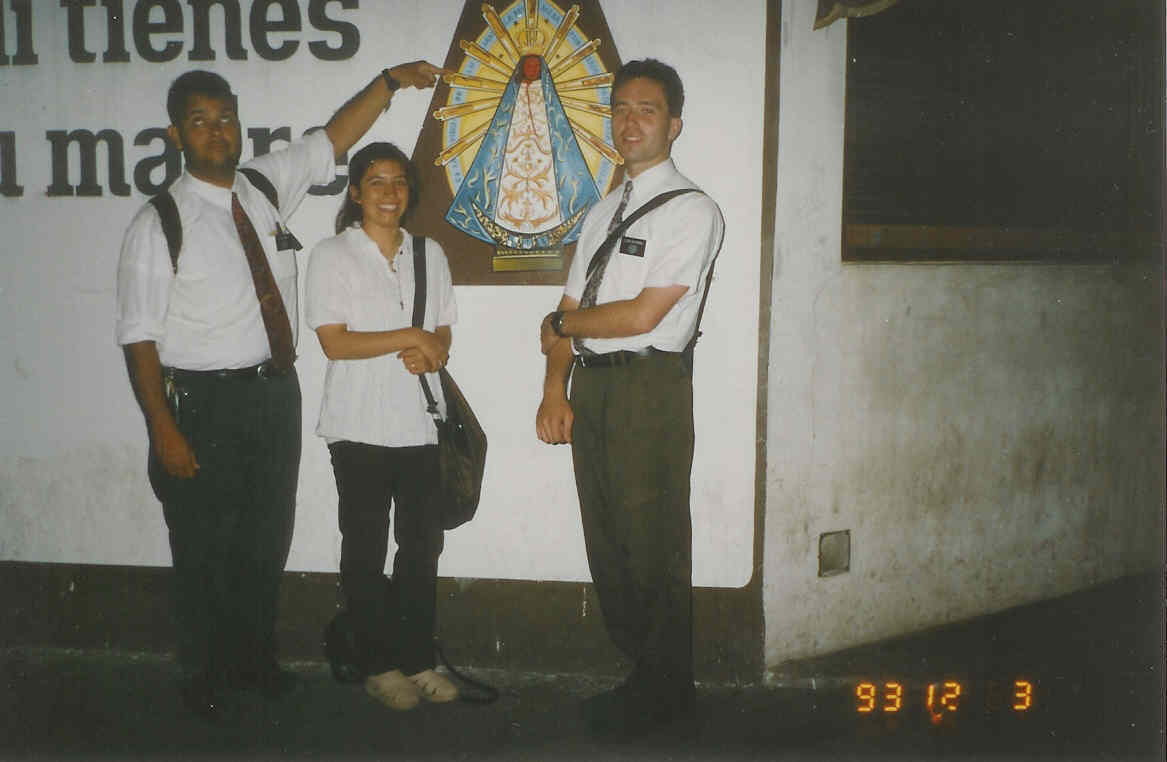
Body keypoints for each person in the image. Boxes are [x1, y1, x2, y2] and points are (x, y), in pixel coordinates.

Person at [115, 61, 443, 720]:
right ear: (178, 134)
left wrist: (387, 82)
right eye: (201, 122)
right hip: (199, 405)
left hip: (270, 395)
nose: (217, 132)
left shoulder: (262, 188)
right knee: (204, 543)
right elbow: (139, 339)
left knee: (266, 536)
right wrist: (163, 428)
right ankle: (205, 675)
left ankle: (254, 663)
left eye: (225, 117)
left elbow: (332, 139)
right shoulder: (160, 223)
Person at [535, 58, 725, 736]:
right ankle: (641, 675)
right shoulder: (599, 212)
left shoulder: (691, 210)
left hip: (648, 388)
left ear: (672, 124)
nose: (629, 120)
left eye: (645, 109)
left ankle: (667, 690)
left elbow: (640, 316)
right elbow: (568, 307)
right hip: (593, 387)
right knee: (607, 540)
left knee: (651, 544)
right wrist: (553, 388)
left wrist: (561, 328)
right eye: (618, 108)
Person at [305, 142, 458, 711]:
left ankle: (418, 658)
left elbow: (441, 332)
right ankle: (378, 663)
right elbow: (333, 341)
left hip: (419, 423)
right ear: (354, 192)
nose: (389, 192)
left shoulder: (430, 254)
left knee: (422, 548)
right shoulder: (331, 255)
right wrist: (408, 338)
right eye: (376, 181)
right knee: (365, 547)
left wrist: (431, 352)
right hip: (358, 425)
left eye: (398, 182)